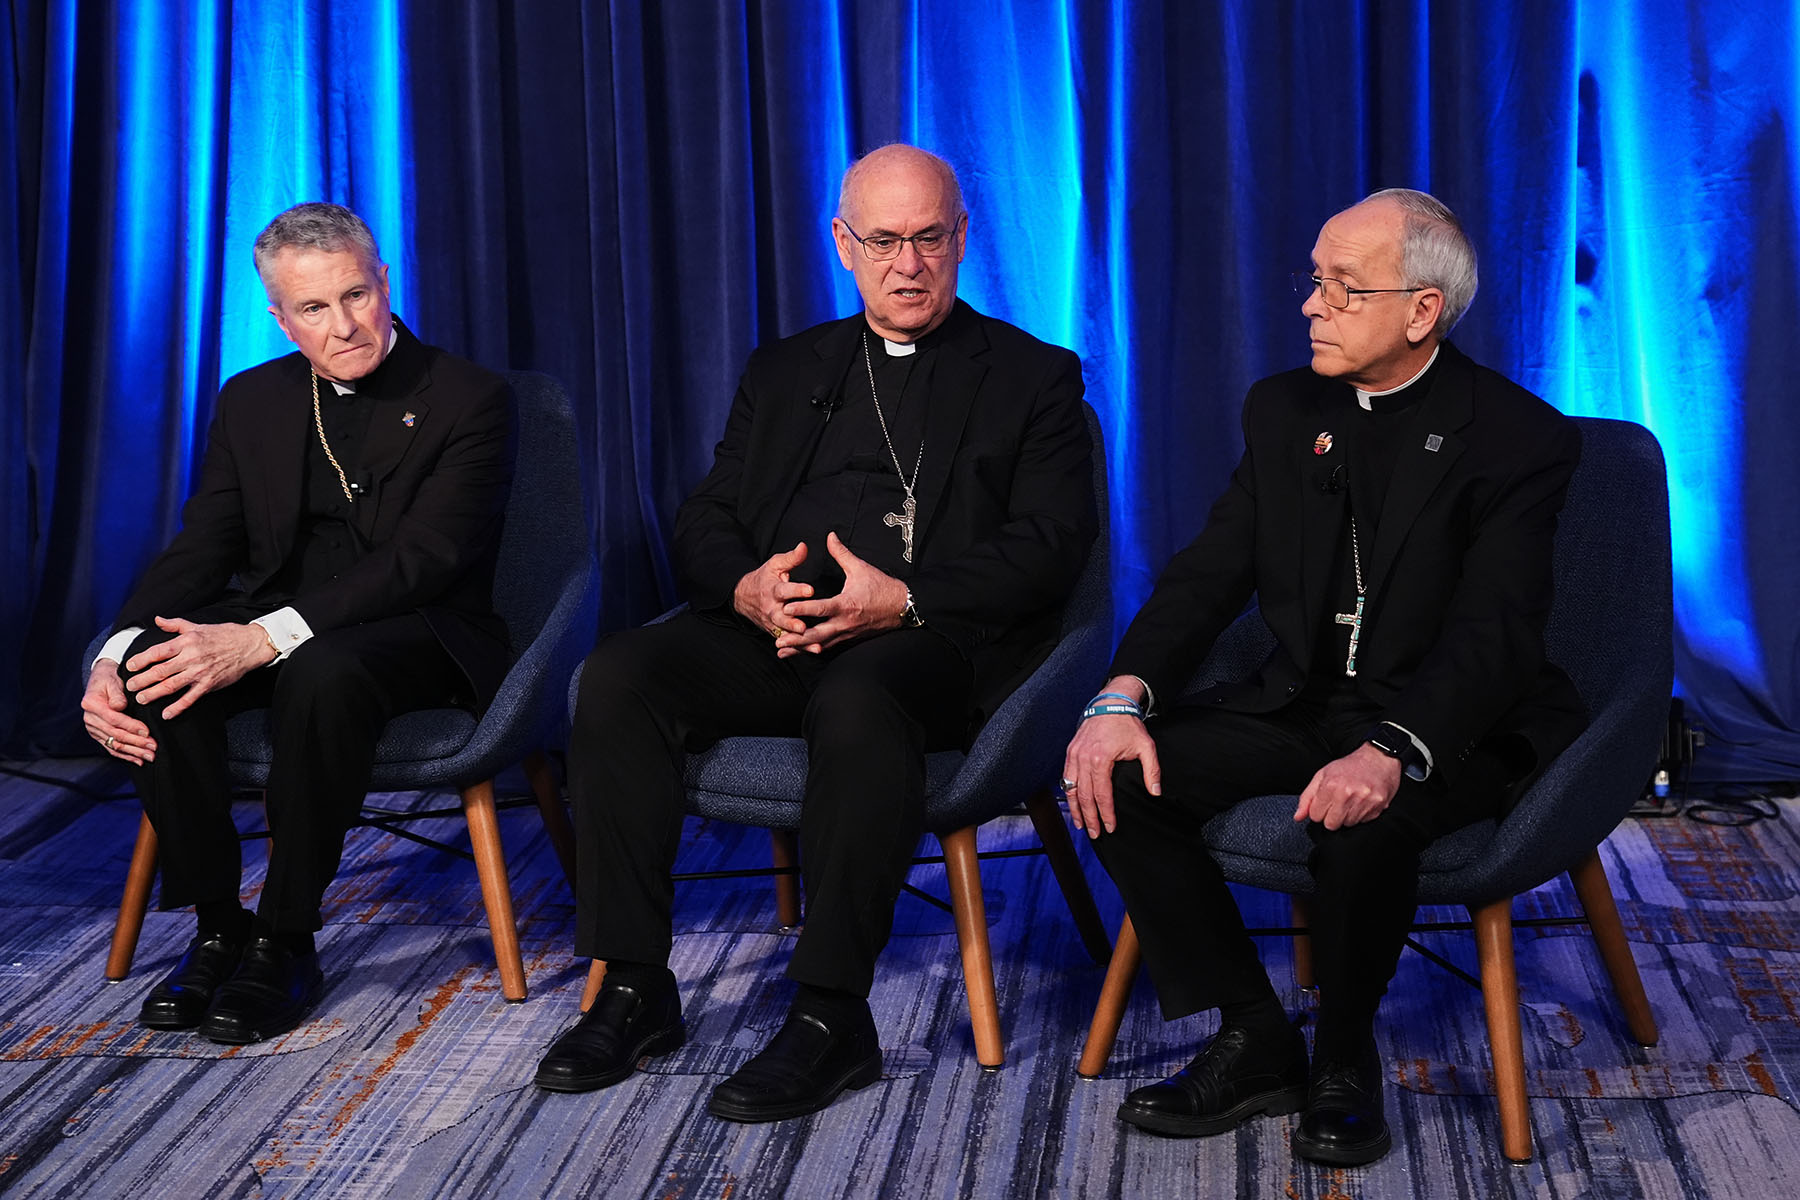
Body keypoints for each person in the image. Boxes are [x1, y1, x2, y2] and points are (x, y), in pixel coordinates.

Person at [535, 144, 1096, 1122]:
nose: (907, 264)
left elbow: (1050, 551)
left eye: (929, 239)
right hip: (780, 631)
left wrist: (905, 601)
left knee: (858, 697)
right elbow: (705, 515)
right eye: (884, 241)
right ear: (844, 245)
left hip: (928, 643)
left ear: (962, 241)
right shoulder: (788, 367)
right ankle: (632, 982)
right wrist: (745, 586)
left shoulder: (1033, 376)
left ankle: (832, 1015)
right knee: (621, 673)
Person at [1060, 189, 1586, 1166]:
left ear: (1422, 311)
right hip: (1302, 700)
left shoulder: (1517, 439)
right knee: (1119, 779)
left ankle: (1344, 1058)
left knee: (1360, 828)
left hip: (1453, 719)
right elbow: (1210, 571)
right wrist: (1120, 695)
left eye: (1344, 289)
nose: (1311, 305)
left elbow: (1496, 635)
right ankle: (1255, 1034)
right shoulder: (1284, 407)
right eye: (1315, 280)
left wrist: (1390, 750)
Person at [80, 202, 514, 1044]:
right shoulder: (253, 398)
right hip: (274, 619)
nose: (344, 325)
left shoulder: (469, 397)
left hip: (419, 627)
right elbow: (205, 544)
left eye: (355, 295)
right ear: (280, 317)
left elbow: (423, 559)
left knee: (324, 671)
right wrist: (116, 650)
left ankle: (285, 936)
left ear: (385, 281)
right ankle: (217, 926)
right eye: (313, 309)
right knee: (152, 675)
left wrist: (265, 637)